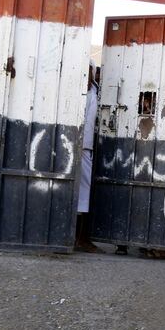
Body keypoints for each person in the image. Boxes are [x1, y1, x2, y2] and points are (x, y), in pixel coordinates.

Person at [76, 63, 99, 252]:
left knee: (84, 191)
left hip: (86, 145)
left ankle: (81, 237)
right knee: (80, 190)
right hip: (78, 143)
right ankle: (79, 238)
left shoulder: (93, 91)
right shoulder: (80, 92)